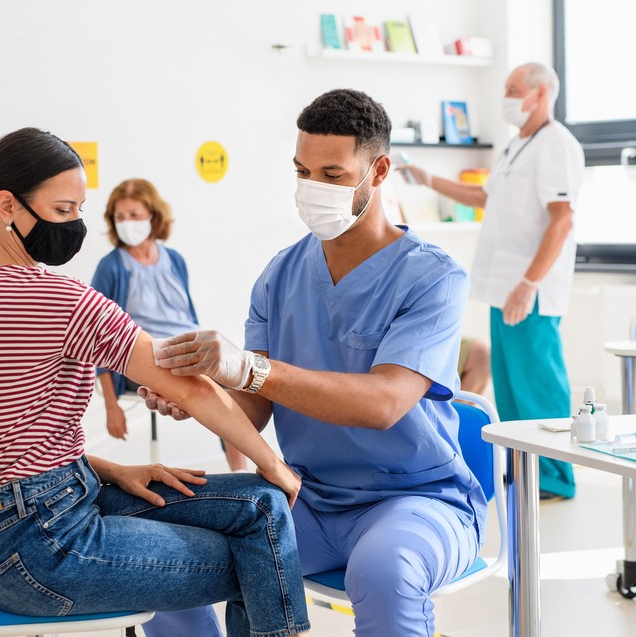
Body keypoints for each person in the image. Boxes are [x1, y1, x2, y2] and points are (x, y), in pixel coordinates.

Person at [0, 127, 309, 637]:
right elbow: (187, 385)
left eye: (80, 209)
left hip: (22, 527)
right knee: (261, 551)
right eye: (62, 211)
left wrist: (104, 470)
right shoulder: (58, 297)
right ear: (7, 205)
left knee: (260, 505)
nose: (75, 225)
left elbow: (2, 441)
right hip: (45, 545)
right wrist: (275, 464)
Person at [142, 89, 487, 637]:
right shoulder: (280, 275)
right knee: (156, 556)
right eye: (302, 171)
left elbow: (383, 404)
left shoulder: (433, 278)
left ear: (378, 171)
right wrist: (192, 398)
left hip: (417, 500)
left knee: (383, 570)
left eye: (331, 173)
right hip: (308, 496)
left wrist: (249, 369)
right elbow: (252, 410)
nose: (312, 189)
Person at [399, 62, 585, 500]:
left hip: (530, 289)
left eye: (513, 88)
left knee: (538, 383)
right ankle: (527, 469)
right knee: (510, 383)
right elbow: (484, 197)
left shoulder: (558, 146)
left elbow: (562, 220)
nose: (505, 95)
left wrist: (528, 283)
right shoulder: (518, 144)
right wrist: (428, 179)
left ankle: (557, 476)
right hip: (505, 285)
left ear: (540, 94)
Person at [91, 178, 247, 472]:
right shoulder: (111, 267)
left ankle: (242, 472)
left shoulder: (174, 260)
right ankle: (253, 471)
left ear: (153, 215)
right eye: (120, 217)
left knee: (241, 377)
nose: (127, 223)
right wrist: (112, 407)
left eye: (134, 215)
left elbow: (188, 316)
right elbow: (97, 339)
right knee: (214, 390)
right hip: (149, 356)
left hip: (187, 347)